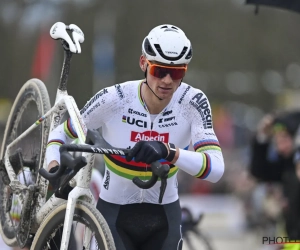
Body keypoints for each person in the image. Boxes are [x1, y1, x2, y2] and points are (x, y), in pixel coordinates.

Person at [45, 24, 225, 250]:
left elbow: (216, 170)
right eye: (159, 71)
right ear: (143, 63)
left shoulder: (193, 102)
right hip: (114, 215)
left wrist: (170, 152)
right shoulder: (115, 98)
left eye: (177, 72)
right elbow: (60, 132)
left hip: (164, 216)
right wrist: (53, 166)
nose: (168, 80)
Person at [249, 110, 300, 241]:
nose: (280, 147)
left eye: (284, 139)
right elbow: (259, 172)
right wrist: (263, 137)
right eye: (277, 141)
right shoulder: (287, 164)